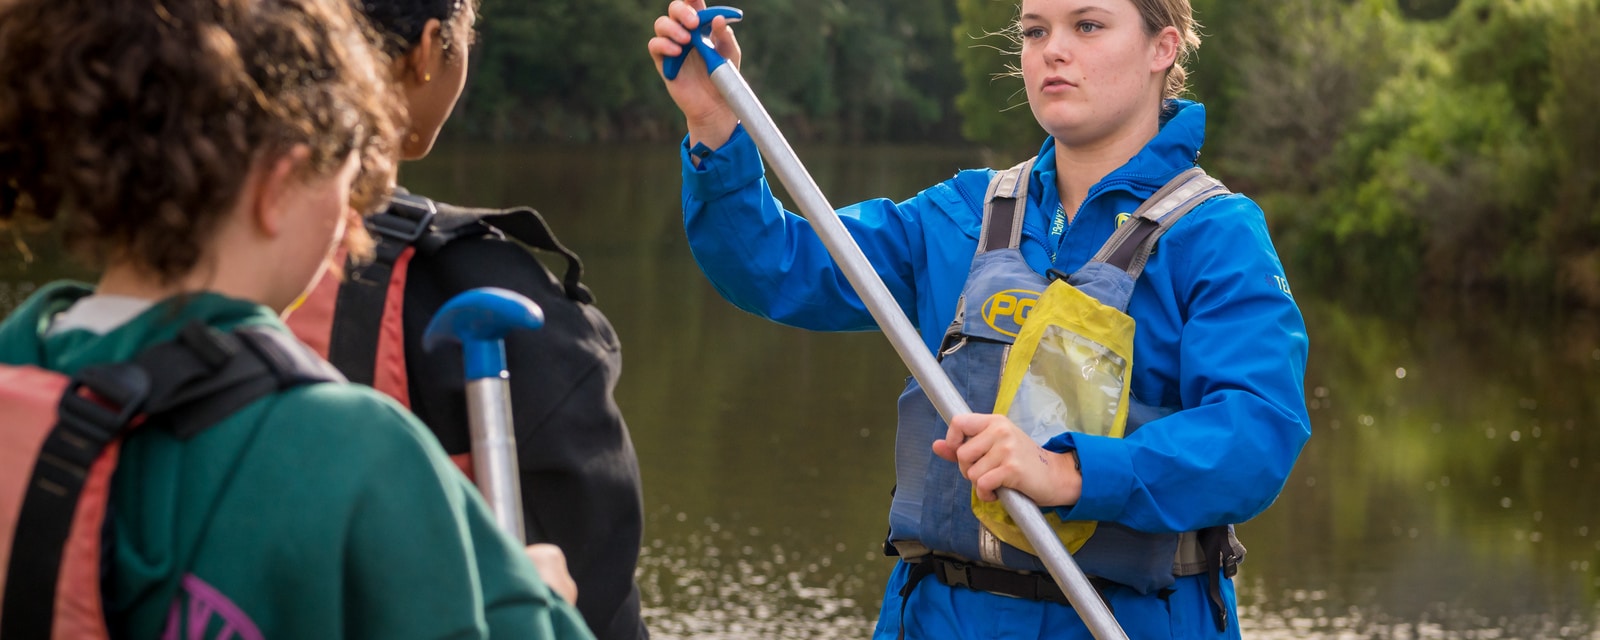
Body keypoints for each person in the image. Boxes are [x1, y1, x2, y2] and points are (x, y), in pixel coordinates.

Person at [647, 0, 1311, 638]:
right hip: (937, 619)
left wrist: (1069, 473)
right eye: (1033, 30)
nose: (1053, 50)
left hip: (1127, 617)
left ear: (1161, 48)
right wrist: (714, 124)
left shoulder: (1218, 236)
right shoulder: (964, 213)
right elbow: (776, 266)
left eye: (1087, 25)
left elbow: (1255, 432)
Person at [0, 0, 592, 637]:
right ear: (277, 186)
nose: (353, 217)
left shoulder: (18, 367)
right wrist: (534, 606)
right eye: (347, 178)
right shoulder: (361, 451)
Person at [284, 2, 649, 638]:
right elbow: (598, 587)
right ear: (428, 50)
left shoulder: (189, 253)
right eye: (466, 35)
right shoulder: (488, 286)